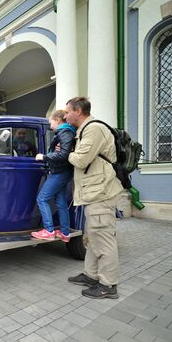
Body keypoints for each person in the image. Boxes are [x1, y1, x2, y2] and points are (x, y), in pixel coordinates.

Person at [64, 97, 124, 300]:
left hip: (101, 194)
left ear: (78, 111)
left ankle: (108, 285)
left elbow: (81, 159)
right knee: (92, 237)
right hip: (94, 193)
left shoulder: (93, 129)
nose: (65, 115)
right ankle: (91, 275)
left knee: (104, 240)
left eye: (67, 112)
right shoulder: (85, 130)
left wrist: (68, 153)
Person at [31, 110, 76, 242]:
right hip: (62, 171)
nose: (50, 126)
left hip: (60, 172)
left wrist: (43, 157)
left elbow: (63, 154)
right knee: (60, 202)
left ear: (57, 120)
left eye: (50, 122)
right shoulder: (65, 132)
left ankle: (49, 230)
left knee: (42, 199)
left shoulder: (65, 132)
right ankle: (65, 233)